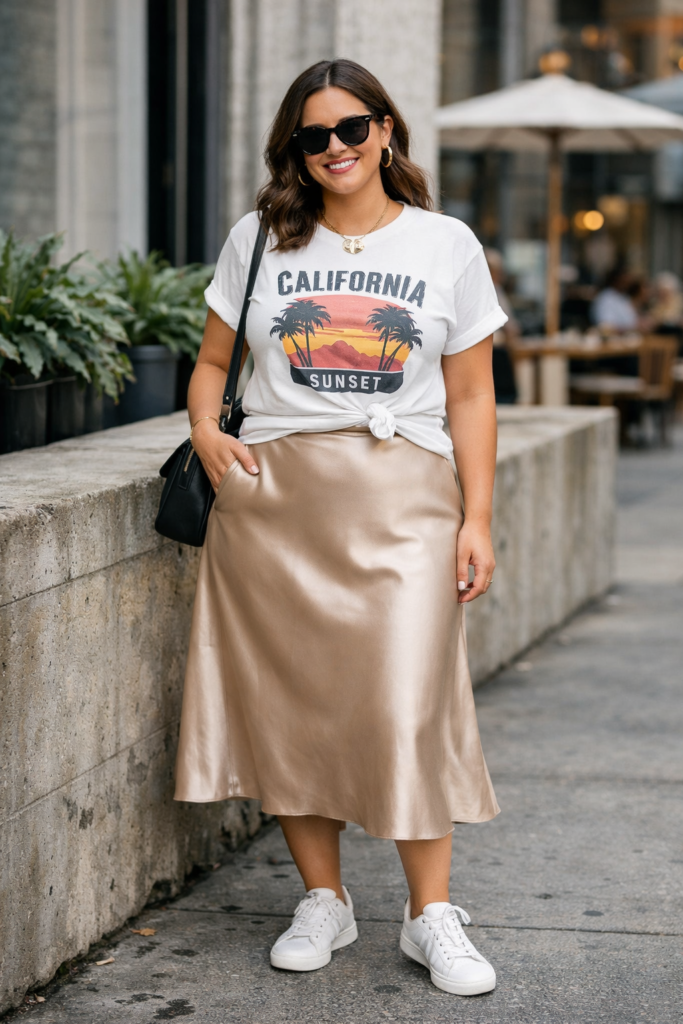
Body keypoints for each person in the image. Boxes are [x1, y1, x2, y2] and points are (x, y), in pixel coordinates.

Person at [175, 59, 507, 997]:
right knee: (297, 706)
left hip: (405, 497)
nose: (335, 148)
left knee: (408, 702)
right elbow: (211, 365)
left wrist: (478, 516)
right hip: (275, 505)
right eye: (312, 136)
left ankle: (430, 913)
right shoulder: (258, 238)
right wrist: (204, 430)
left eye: (351, 128)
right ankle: (323, 897)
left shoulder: (444, 243)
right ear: (294, 149)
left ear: (385, 130)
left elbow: (472, 394)